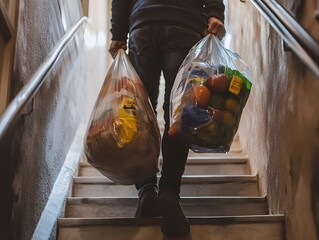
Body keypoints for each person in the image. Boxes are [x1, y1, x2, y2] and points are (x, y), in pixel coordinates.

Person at [109, 1, 226, 239]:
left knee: (140, 111)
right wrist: (214, 13)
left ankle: (147, 189)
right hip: (185, 23)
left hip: (143, 24)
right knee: (179, 111)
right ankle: (170, 191)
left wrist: (118, 33)